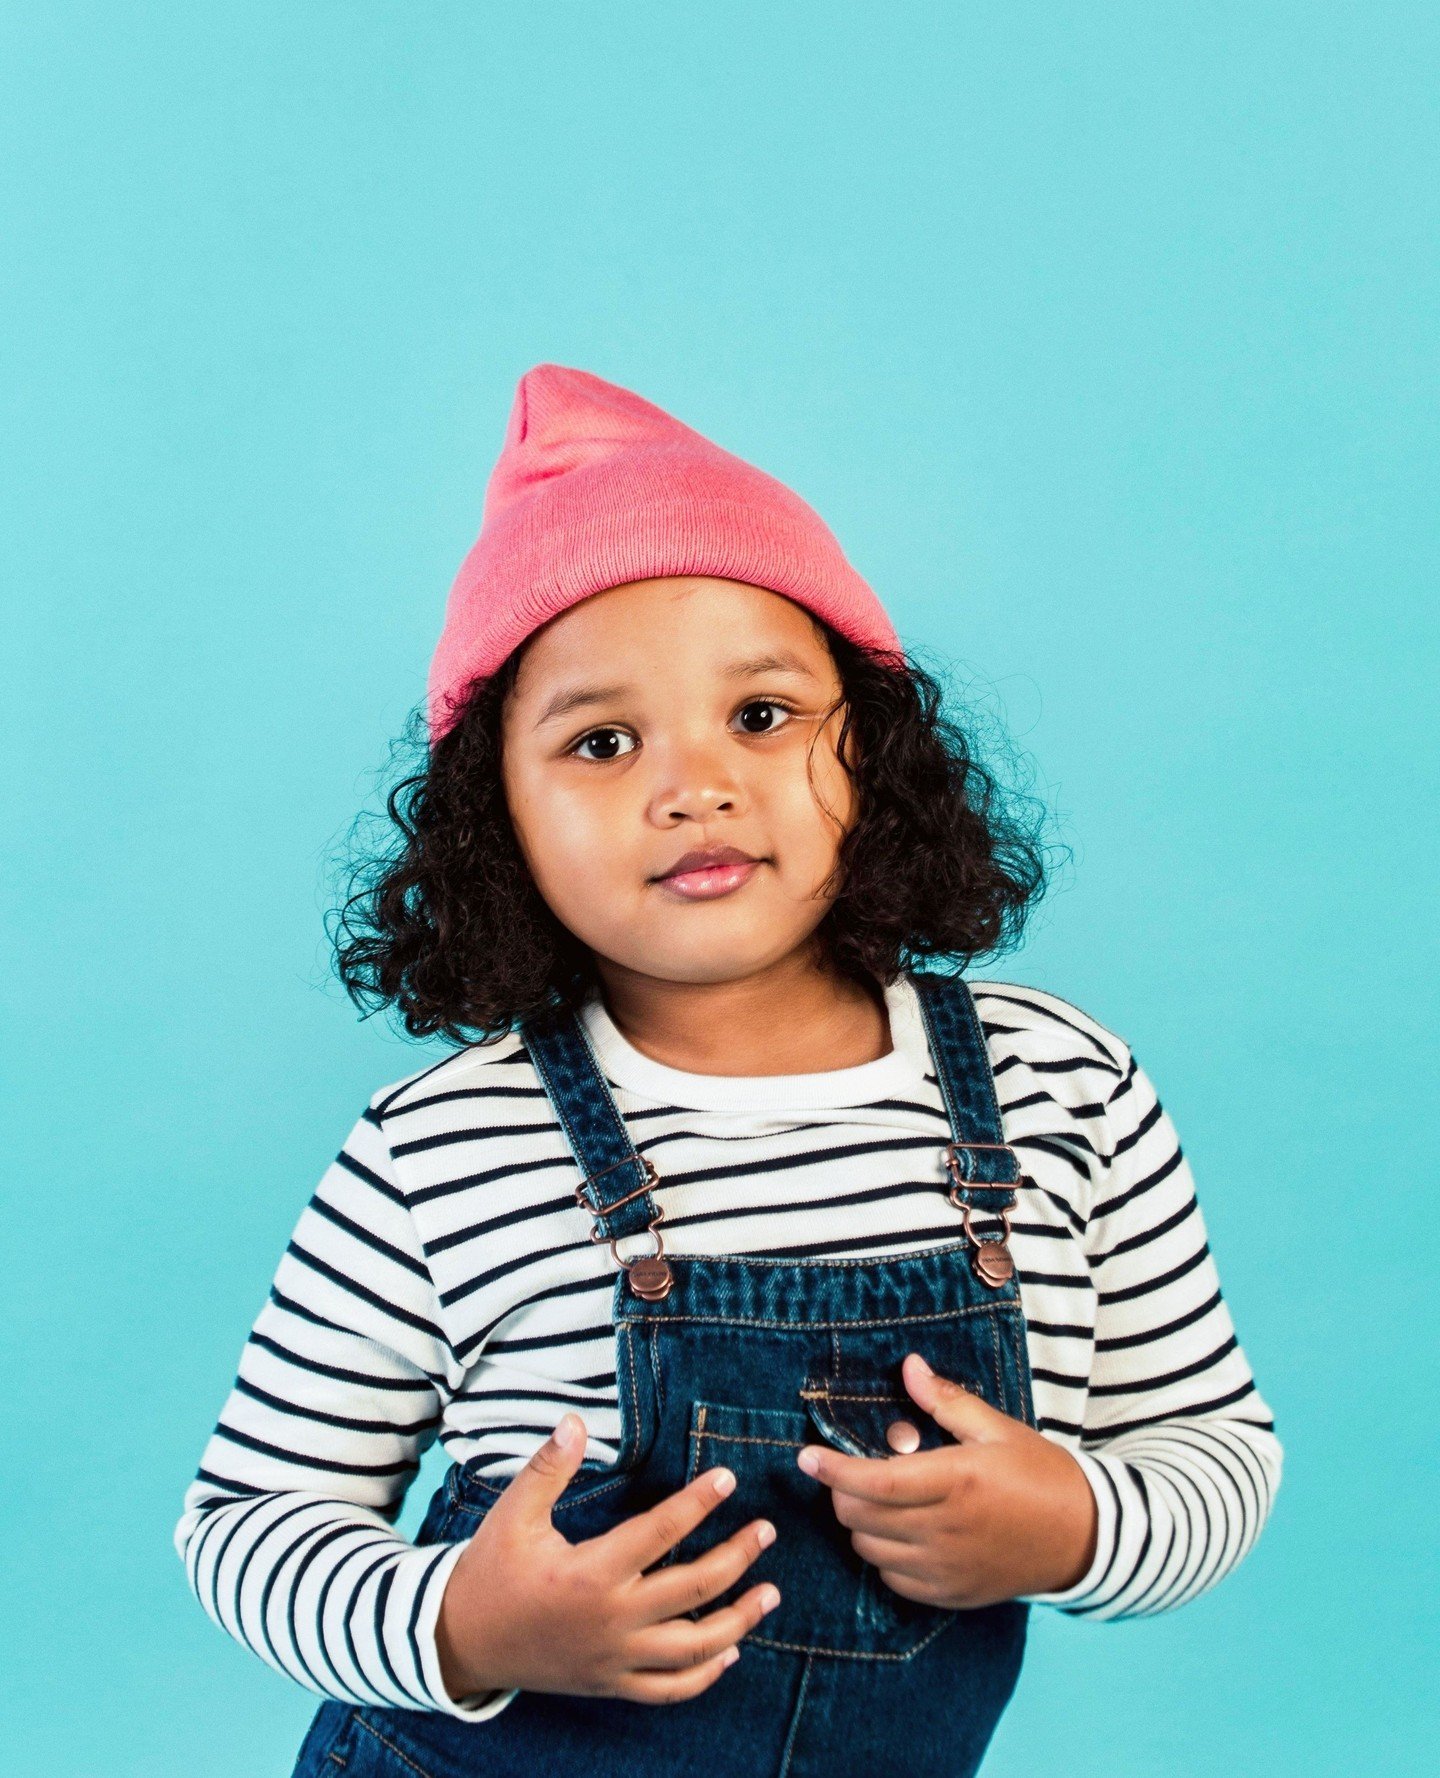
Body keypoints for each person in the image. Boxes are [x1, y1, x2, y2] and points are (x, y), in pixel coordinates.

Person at [173, 364, 1283, 1778]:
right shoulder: (437, 1150)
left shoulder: (1067, 1090)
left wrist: (1076, 1523)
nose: (693, 782)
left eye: (760, 716)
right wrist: (464, 1621)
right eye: (601, 740)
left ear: (873, 753)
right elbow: (250, 1522)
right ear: (493, 820)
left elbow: (1212, 1446)